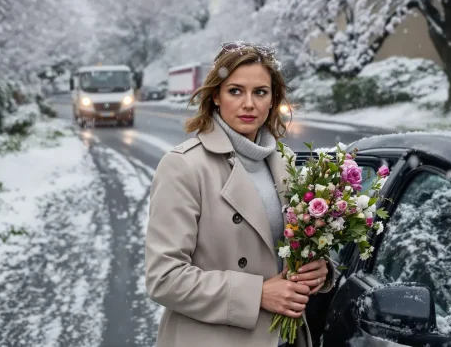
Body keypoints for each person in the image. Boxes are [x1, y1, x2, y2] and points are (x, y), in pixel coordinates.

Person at [144, 42, 337, 347]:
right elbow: (164, 278)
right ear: (216, 97)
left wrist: (318, 270)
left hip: (282, 338)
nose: (249, 104)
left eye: (260, 92)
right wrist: (257, 294)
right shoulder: (184, 166)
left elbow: (291, 246)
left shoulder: (282, 162)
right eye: (235, 91)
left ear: (273, 100)